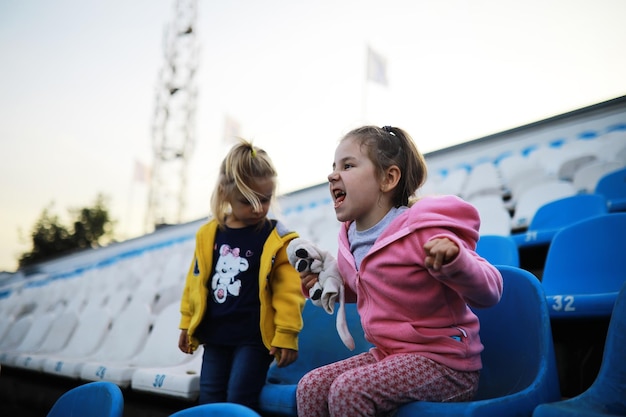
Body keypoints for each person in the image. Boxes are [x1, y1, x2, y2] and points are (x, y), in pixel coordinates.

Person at [296, 125, 504, 417]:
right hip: (388, 355)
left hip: (444, 364)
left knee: (349, 389)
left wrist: (456, 261)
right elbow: (367, 285)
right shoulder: (352, 236)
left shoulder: (421, 229)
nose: (333, 175)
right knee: (310, 387)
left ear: (388, 178)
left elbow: (491, 289)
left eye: (348, 165)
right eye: (334, 167)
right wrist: (326, 282)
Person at [177, 139, 305, 411]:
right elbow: (195, 282)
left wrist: (286, 334)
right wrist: (187, 323)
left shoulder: (275, 237)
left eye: (265, 199)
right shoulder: (208, 234)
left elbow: (288, 291)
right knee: (209, 400)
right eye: (247, 201)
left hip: (254, 340)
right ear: (224, 193)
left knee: (239, 401)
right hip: (215, 336)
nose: (258, 208)